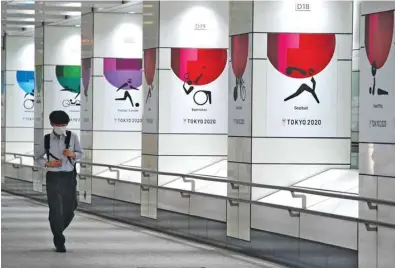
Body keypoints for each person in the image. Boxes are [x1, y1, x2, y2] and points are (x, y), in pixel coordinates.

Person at [34, 110, 83, 253]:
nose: (60, 127)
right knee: (55, 209)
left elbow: (81, 153)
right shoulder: (46, 139)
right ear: (51, 124)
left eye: (63, 124)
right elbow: (37, 157)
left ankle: (57, 228)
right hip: (53, 177)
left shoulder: (73, 137)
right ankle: (59, 239)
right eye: (57, 124)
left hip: (69, 176)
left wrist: (73, 154)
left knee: (71, 207)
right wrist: (48, 164)